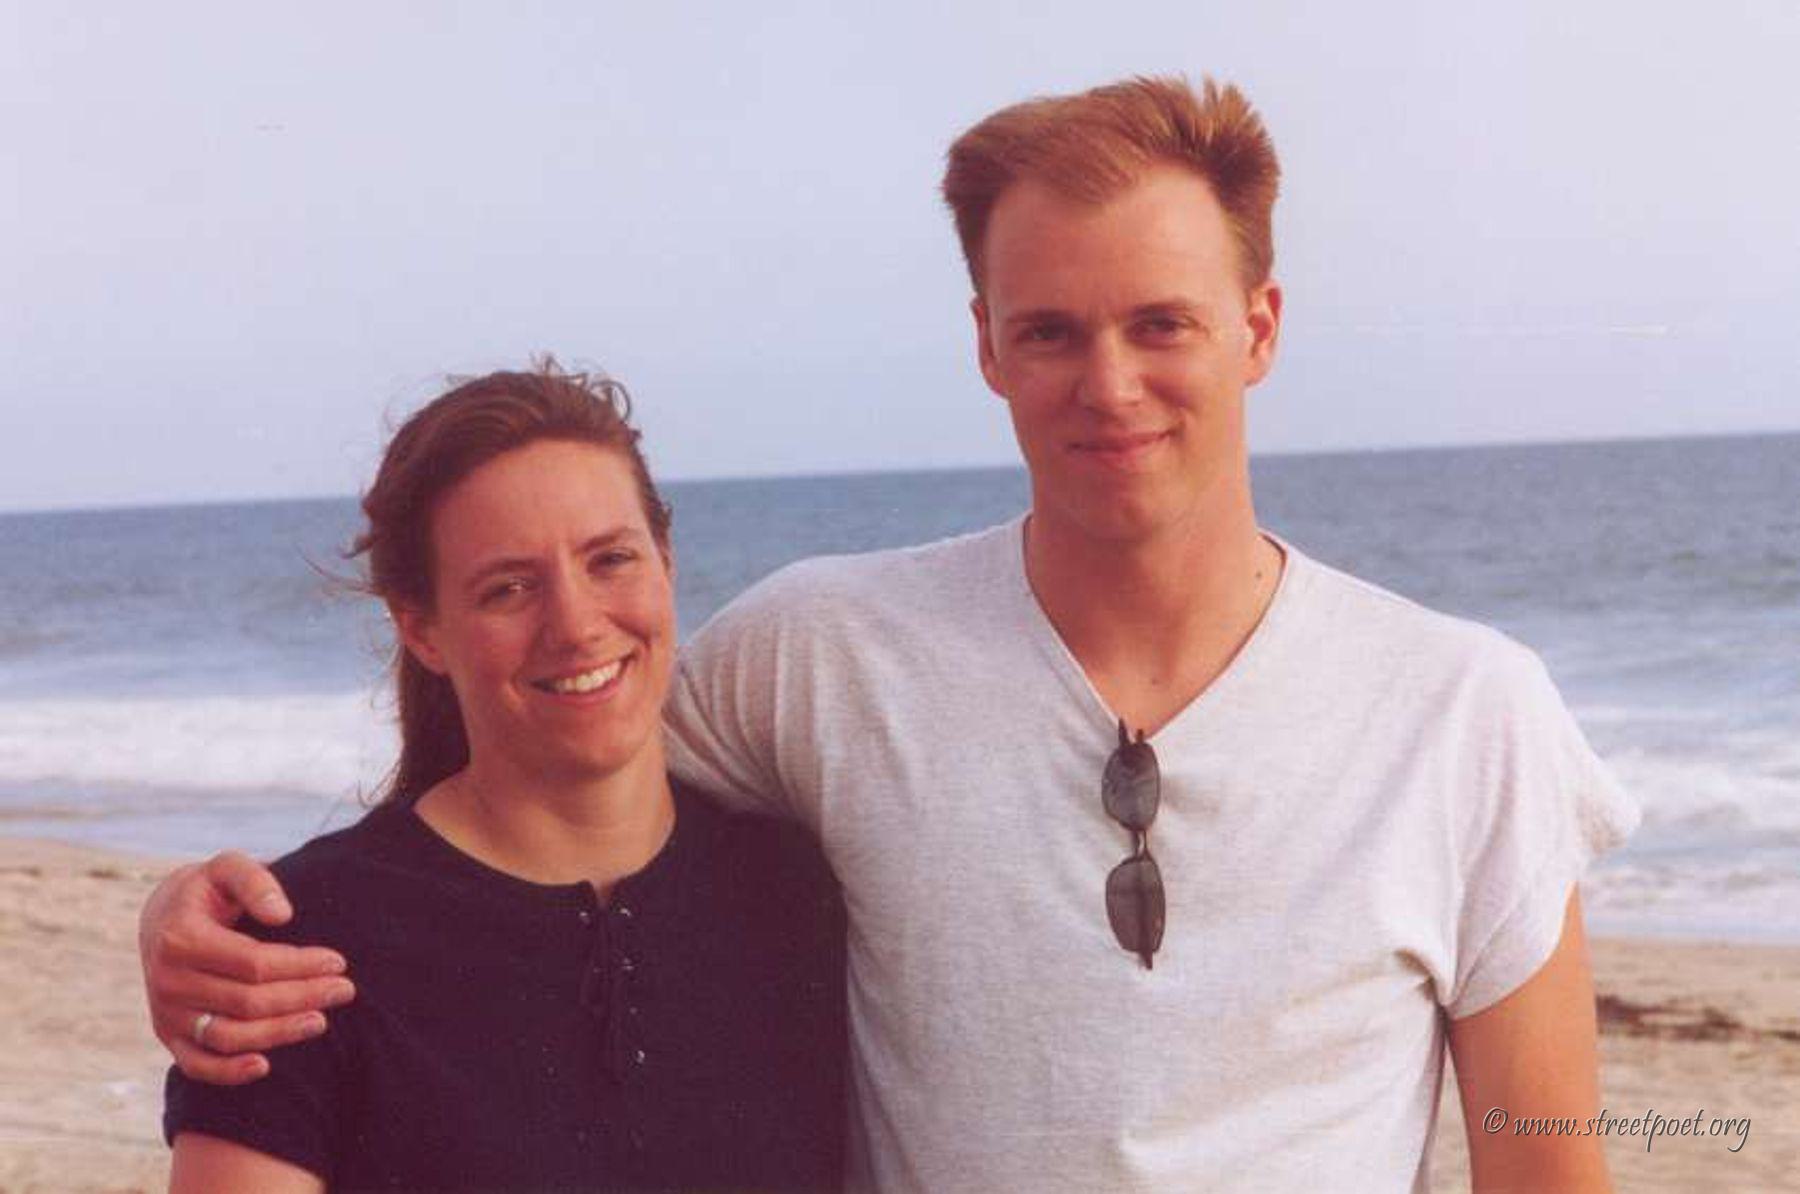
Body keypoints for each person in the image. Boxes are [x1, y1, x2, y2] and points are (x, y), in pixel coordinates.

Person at [141, 78, 1635, 1192]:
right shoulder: (824, 657)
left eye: (1161, 323)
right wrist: (206, 923)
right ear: (986, 344)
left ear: (1259, 327)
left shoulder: (1467, 713)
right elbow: (546, 772)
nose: (1108, 383)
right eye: (1049, 330)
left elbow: (1548, 1164)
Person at [159, 364, 847, 1192]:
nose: (577, 625)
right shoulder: (299, 952)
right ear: (422, 629)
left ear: (665, 563)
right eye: (509, 588)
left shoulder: (796, 889)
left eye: (610, 559)